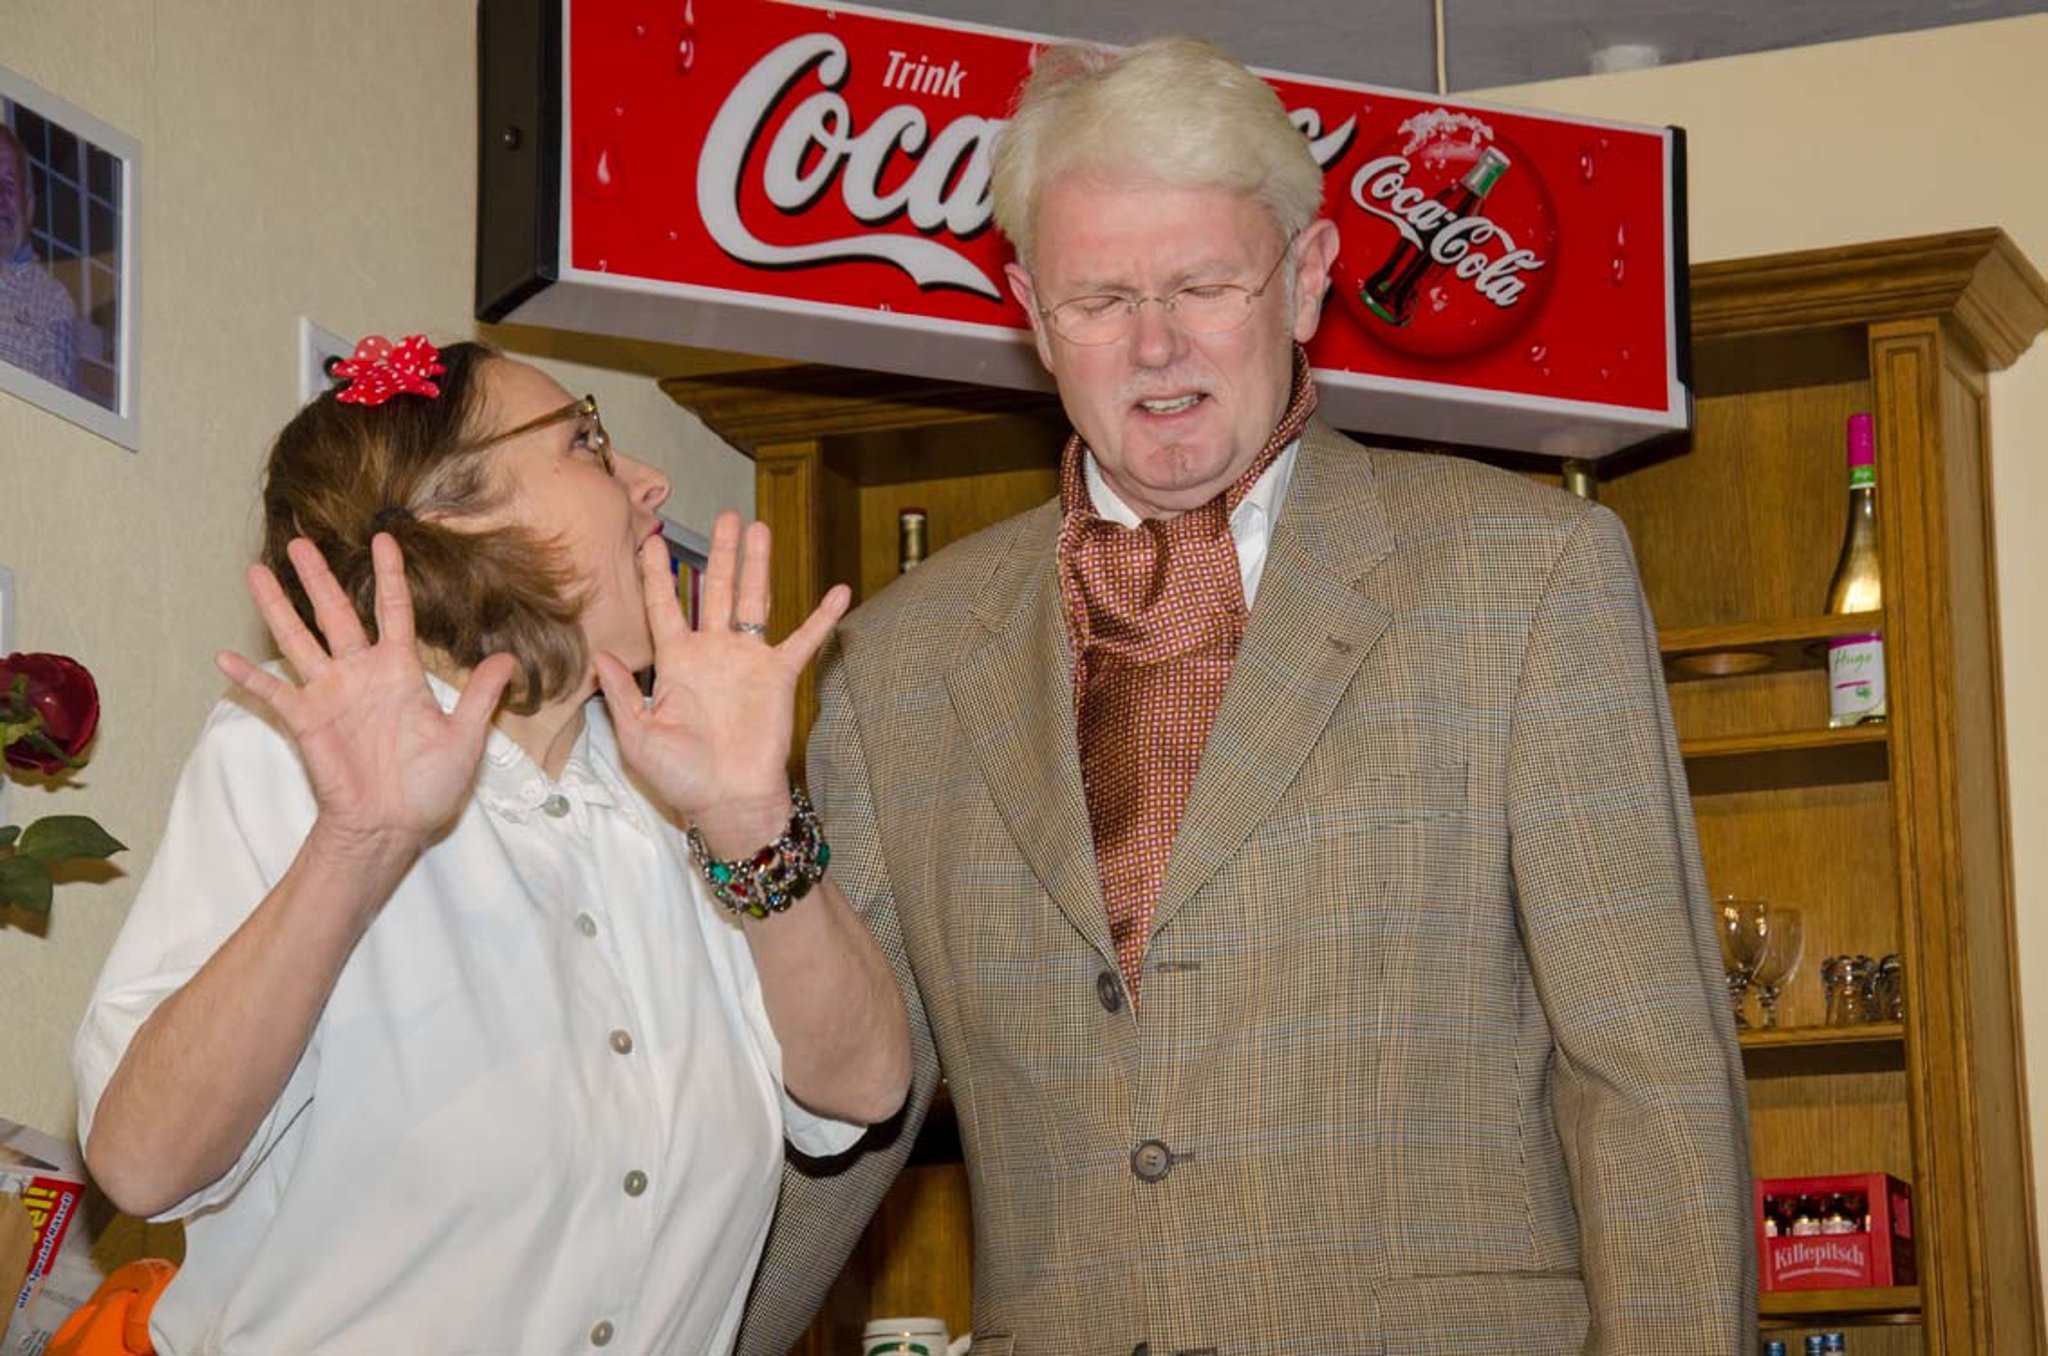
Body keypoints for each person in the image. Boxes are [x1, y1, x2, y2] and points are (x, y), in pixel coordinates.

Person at [738, 36, 1752, 1356]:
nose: (1156, 346)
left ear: (1307, 277)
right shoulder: (897, 663)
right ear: (1032, 312)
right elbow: (847, 1106)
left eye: (1204, 286)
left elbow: (1648, 1079)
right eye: (1101, 300)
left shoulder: (1524, 576)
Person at [73, 336, 911, 1354]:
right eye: (587, 443)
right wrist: (357, 845)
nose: (652, 482)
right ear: (448, 515)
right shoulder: (284, 756)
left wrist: (751, 817)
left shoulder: (678, 779)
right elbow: (144, 1165)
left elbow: (866, 1086)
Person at [0, 123, 77, 391]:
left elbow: (58, 409)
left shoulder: (52, 301)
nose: (1, 197)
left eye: (10, 185)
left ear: (28, 205)